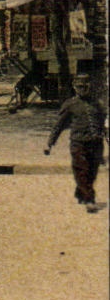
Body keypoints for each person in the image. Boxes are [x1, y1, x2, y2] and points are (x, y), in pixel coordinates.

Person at [44, 82, 106, 211]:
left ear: (89, 87)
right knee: (81, 170)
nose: (82, 89)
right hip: (78, 142)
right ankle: (89, 200)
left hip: (96, 143)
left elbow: (102, 124)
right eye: (79, 87)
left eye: (85, 87)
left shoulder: (97, 104)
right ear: (75, 87)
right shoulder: (70, 104)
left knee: (92, 172)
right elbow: (59, 125)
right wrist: (50, 143)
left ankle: (81, 192)